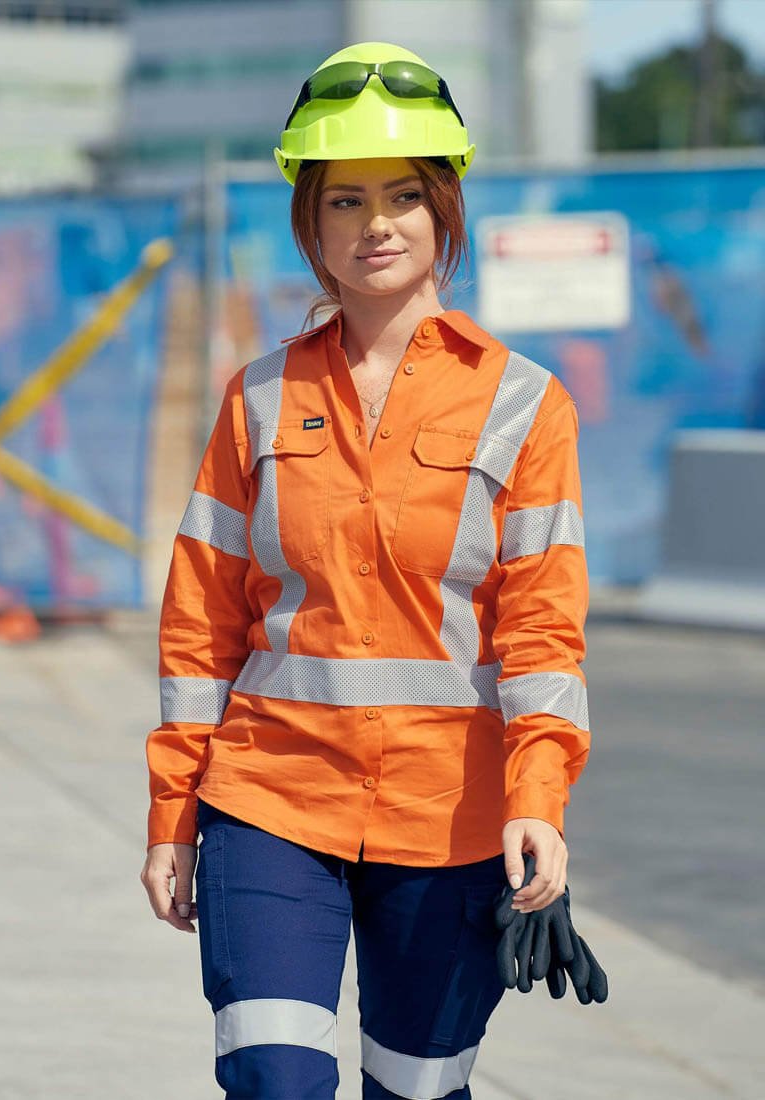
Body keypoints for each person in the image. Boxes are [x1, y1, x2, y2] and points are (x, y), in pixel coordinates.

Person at [140, 41, 591, 1100]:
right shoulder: (254, 398)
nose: (374, 223)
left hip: (453, 810)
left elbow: (539, 630)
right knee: (274, 1076)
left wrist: (537, 796)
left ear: (443, 209)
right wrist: (173, 810)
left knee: (416, 1089)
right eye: (343, 199)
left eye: (401, 195)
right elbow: (200, 621)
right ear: (310, 220)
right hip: (270, 796)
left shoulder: (523, 402)